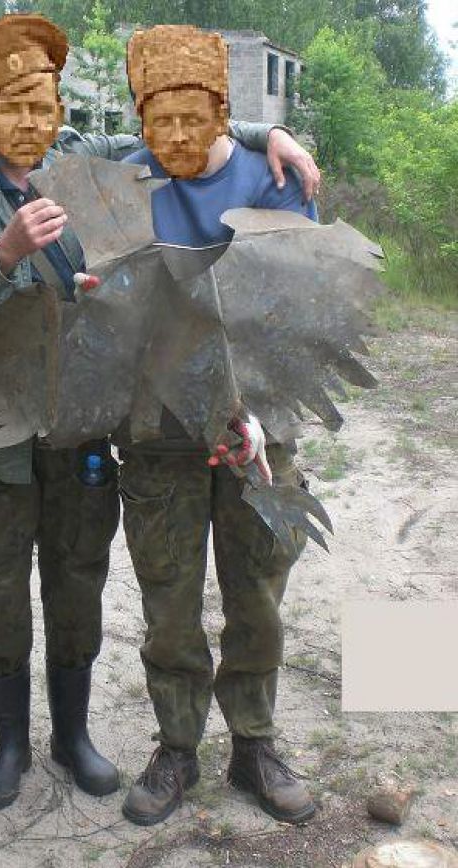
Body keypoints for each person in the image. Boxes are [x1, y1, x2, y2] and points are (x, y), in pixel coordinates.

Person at [0, 13, 321, 812]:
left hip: (135, 430)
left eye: (42, 104)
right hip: (50, 433)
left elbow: (292, 300)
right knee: (71, 599)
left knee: (133, 590)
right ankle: (71, 747)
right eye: (11, 105)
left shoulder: (96, 164)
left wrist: (273, 131)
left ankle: (220, 745)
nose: (29, 120)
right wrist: (6, 251)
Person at [117, 25, 318, 827]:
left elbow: (294, 313)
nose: (173, 135)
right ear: (138, 119)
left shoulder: (274, 181)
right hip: (159, 429)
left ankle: (254, 744)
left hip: (256, 429)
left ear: (224, 111)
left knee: (257, 593)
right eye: (156, 119)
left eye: (192, 118)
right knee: (168, 599)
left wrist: (255, 412)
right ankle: (176, 746)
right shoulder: (124, 181)